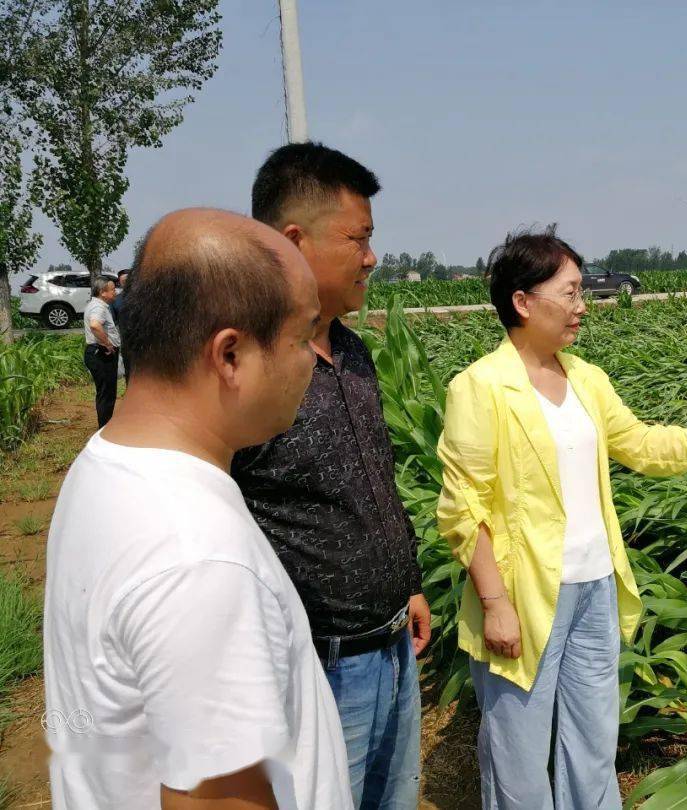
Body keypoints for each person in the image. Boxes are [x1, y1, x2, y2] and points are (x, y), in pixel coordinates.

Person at [436, 227, 687, 809]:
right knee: (519, 755)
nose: (583, 308)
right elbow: (463, 507)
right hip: (525, 596)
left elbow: (637, 442)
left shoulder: (585, 378)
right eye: (571, 293)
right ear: (523, 302)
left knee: (592, 741)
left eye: (583, 293)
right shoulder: (480, 387)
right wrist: (496, 603)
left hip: (596, 588)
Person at [44, 209, 352, 810]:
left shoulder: (108, 462)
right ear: (230, 355)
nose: (312, 361)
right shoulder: (199, 556)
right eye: (300, 337)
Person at [233, 142, 429, 810]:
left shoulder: (351, 350)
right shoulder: (247, 369)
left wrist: (409, 587)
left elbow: (376, 479)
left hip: (393, 642)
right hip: (318, 666)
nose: (371, 257)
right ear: (293, 241)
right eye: (358, 238)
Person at [83, 277, 120, 427]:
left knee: (105, 392)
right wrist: (108, 344)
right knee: (107, 394)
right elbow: (95, 326)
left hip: (99, 352)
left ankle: (105, 426)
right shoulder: (98, 307)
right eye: (112, 289)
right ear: (102, 292)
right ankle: (104, 429)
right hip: (102, 353)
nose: (115, 292)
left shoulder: (98, 305)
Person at [111, 268, 132, 384]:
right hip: (126, 344)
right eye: (123, 281)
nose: (127, 282)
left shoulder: (145, 298)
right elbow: (112, 323)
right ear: (119, 282)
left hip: (146, 343)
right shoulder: (116, 301)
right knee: (129, 372)